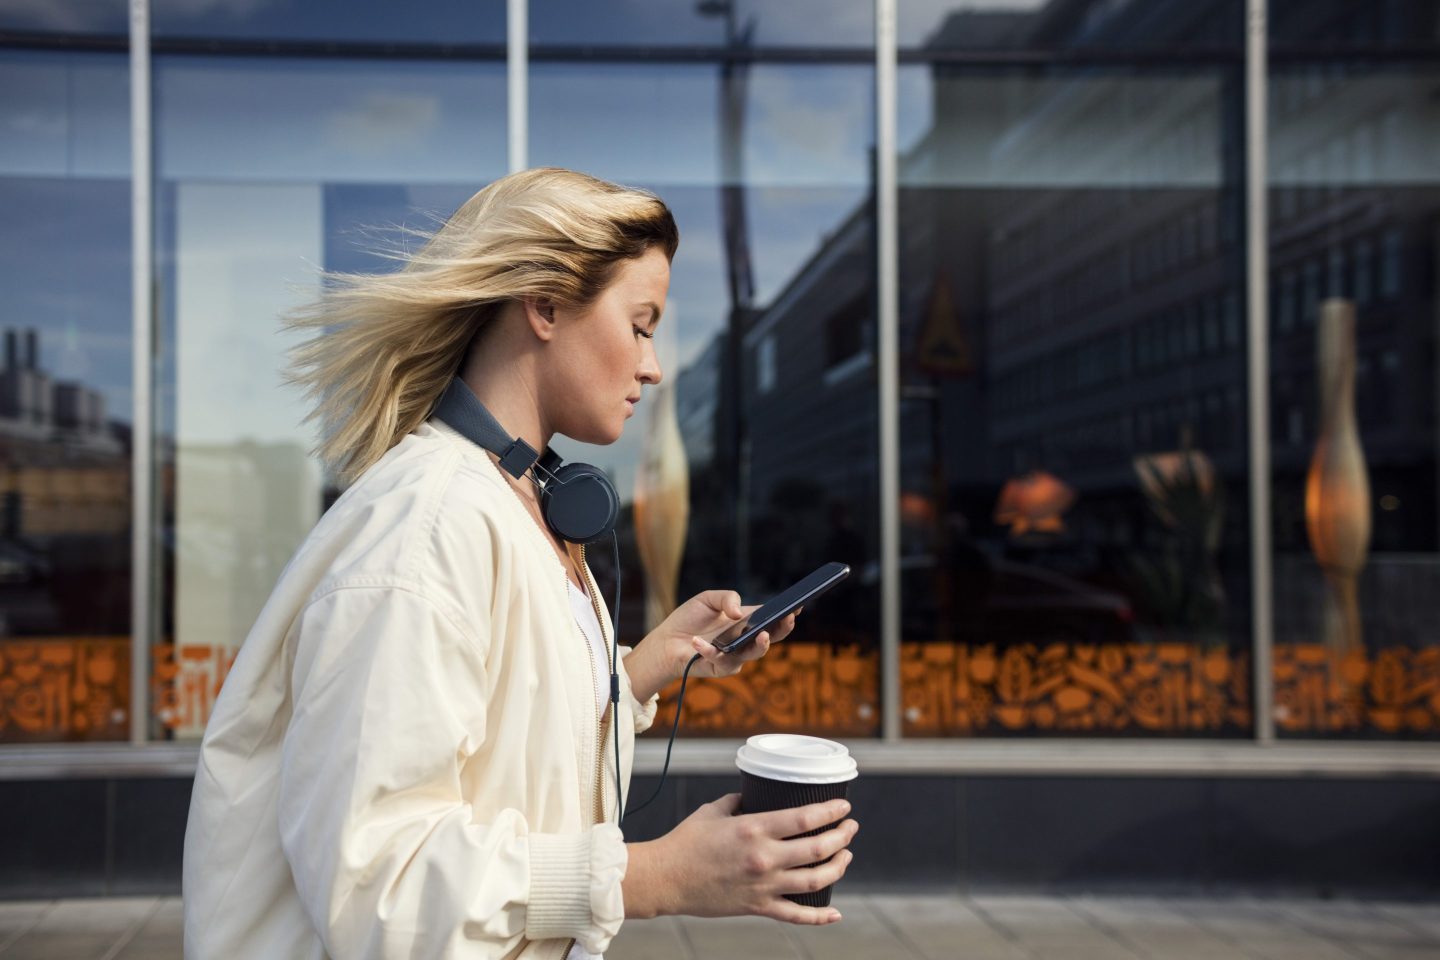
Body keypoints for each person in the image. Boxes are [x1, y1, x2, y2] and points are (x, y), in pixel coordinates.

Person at [182, 168, 859, 960]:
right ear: (543, 305)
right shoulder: (426, 530)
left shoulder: (518, 500)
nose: (653, 366)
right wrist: (651, 877)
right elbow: (376, 886)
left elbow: (505, 744)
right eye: (641, 325)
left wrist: (638, 672)